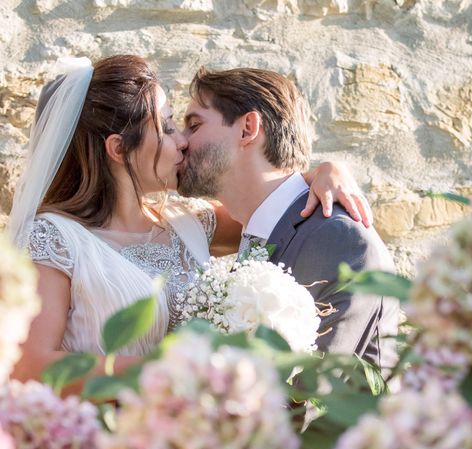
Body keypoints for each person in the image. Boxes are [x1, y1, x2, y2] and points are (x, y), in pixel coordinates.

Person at [8, 55, 371, 389]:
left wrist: (325, 171)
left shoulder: (189, 223)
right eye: (166, 128)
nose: (182, 141)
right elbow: (31, 366)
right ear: (119, 149)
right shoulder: (53, 240)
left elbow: (267, 200)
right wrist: (171, 373)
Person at [177, 67, 399, 374]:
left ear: (247, 129)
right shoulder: (258, 230)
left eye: (193, 125)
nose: (181, 141)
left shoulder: (340, 240)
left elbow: (314, 398)